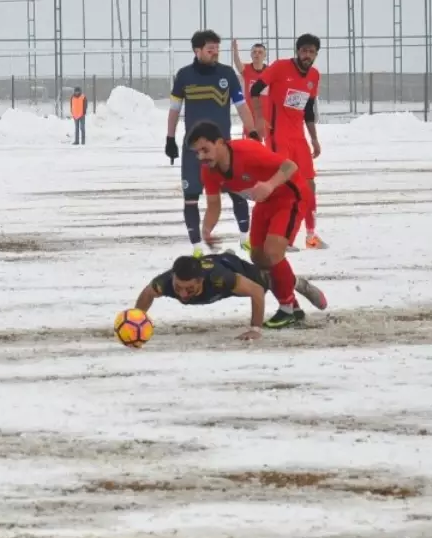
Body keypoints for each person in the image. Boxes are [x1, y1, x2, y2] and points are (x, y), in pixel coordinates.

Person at [186, 120, 327, 328]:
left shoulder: (247, 150)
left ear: (220, 143)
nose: (202, 157)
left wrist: (269, 185)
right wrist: (206, 229)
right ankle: (295, 292)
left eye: (205, 150)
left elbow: (290, 166)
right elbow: (213, 206)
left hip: (291, 196)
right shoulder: (209, 171)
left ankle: (286, 309)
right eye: (197, 153)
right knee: (258, 258)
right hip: (265, 202)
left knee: (273, 252)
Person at [166, 29, 260, 258]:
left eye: (217, 49)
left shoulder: (227, 74)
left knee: (237, 191)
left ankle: (245, 239)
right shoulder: (184, 76)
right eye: (210, 50)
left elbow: (241, 106)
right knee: (191, 198)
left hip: (223, 149)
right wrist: (169, 138)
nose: (215, 53)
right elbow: (174, 110)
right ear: (197, 51)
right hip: (193, 151)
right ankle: (197, 248)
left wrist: (254, 132)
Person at [133, 250, 327, 340]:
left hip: (231, 266)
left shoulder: (220, 278)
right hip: (208, 262)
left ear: (200, 281)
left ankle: (299, 284)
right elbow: (147, 294)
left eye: (189, 289)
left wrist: (255, 329)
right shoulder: (165, 282)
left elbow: (257, 293)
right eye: (178, 287)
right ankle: (295, 308)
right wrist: (136, 321)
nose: (183, 294)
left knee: (268, 281)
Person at [249, 33, 325, 249]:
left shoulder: (314, 76)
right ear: (297, 51)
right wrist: (260, 118)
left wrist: (314, 139)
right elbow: (255, 90)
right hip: (277, 136)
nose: (307, 55)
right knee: (280, 186)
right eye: (304, 50)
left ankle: (311, 235)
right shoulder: (280, 67)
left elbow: (308, 110)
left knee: (309, 185)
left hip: (298, 138)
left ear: (316, 54)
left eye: (311, 52)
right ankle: (265, 237)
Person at [232, 39, 270, 139]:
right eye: (254, 52)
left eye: (260, 52)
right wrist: (235, 52)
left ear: (265, 55)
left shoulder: (270, 71)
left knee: (266, 148)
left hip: (265, 116)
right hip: (250, 116)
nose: (257, 54)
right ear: (251, 55)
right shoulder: (246, 69)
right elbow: (237, 64)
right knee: (250, 145)